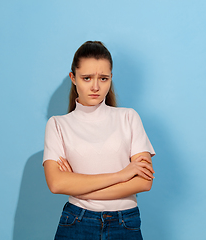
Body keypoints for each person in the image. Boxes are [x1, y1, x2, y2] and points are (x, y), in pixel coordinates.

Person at [43, 41, 155, 240]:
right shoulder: (58, 125)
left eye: (103, 78)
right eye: (87, 78)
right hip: (77, 221)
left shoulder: (128, 117)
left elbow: (144, 182)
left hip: (125, 222)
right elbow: (57, 184)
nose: (95, 86)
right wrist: (122, 174)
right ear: (73, 78)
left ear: (111, 78)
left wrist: (80, 189)